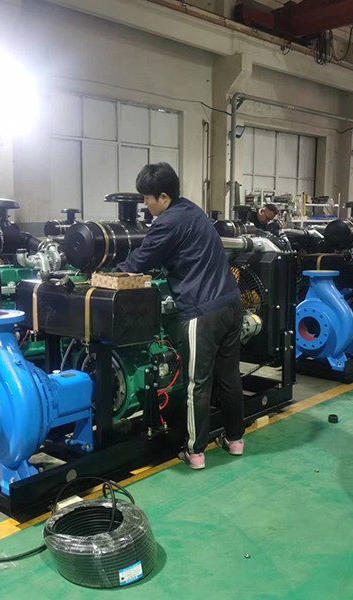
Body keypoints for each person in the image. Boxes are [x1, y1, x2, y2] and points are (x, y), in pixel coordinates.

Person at [116, 162, 245, 470]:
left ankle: (195, 452)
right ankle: (235, 440)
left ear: (163, 197)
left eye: (147, 198)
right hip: (231, 304)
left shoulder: (167, 222)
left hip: (203, 311)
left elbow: (140, 261)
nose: (145, 204)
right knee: (228, 377)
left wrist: (110, 274)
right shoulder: (192, 211)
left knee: (196, 384)